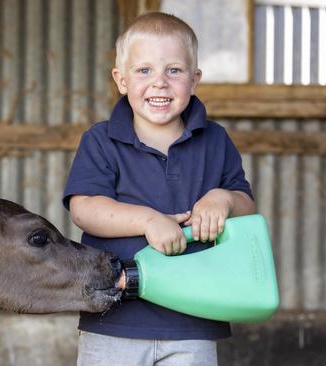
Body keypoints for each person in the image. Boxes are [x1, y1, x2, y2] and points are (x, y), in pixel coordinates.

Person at [62, 12, 256, 366]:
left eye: (174, 71)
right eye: (144, 71)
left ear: (195, 80)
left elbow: (247, 205)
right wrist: (149, 221)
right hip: (113, 320)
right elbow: (84, 208)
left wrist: (222, 199)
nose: (160, 83)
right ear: (121, 80)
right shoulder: (101, 140)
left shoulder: (215, 141)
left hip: (194, 318)